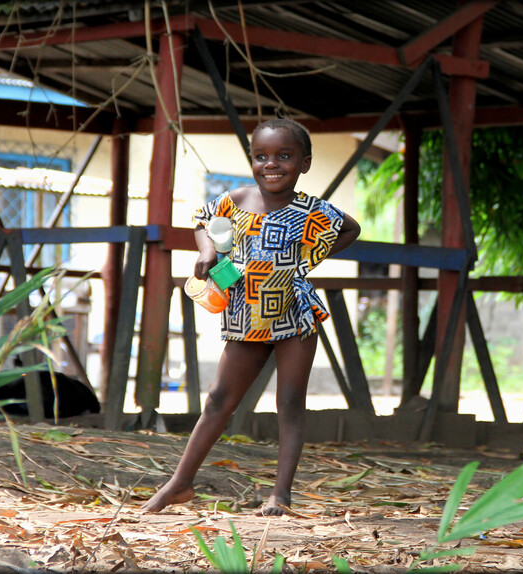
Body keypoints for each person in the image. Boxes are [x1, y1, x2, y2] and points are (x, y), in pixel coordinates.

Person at [142, 117, 360, 516]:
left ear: (304, 163)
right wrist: (208, 254)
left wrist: (307, 257)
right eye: (261, 156)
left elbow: (351, 228)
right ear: (252, 161)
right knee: (219, 400)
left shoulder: (312, 209)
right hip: (246, 313)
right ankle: (180, 483)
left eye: (284, 156)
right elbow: (203, 223)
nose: (271, 164)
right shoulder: (236, 200)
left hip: (294, 316)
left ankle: (280, 494)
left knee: (290, 403)